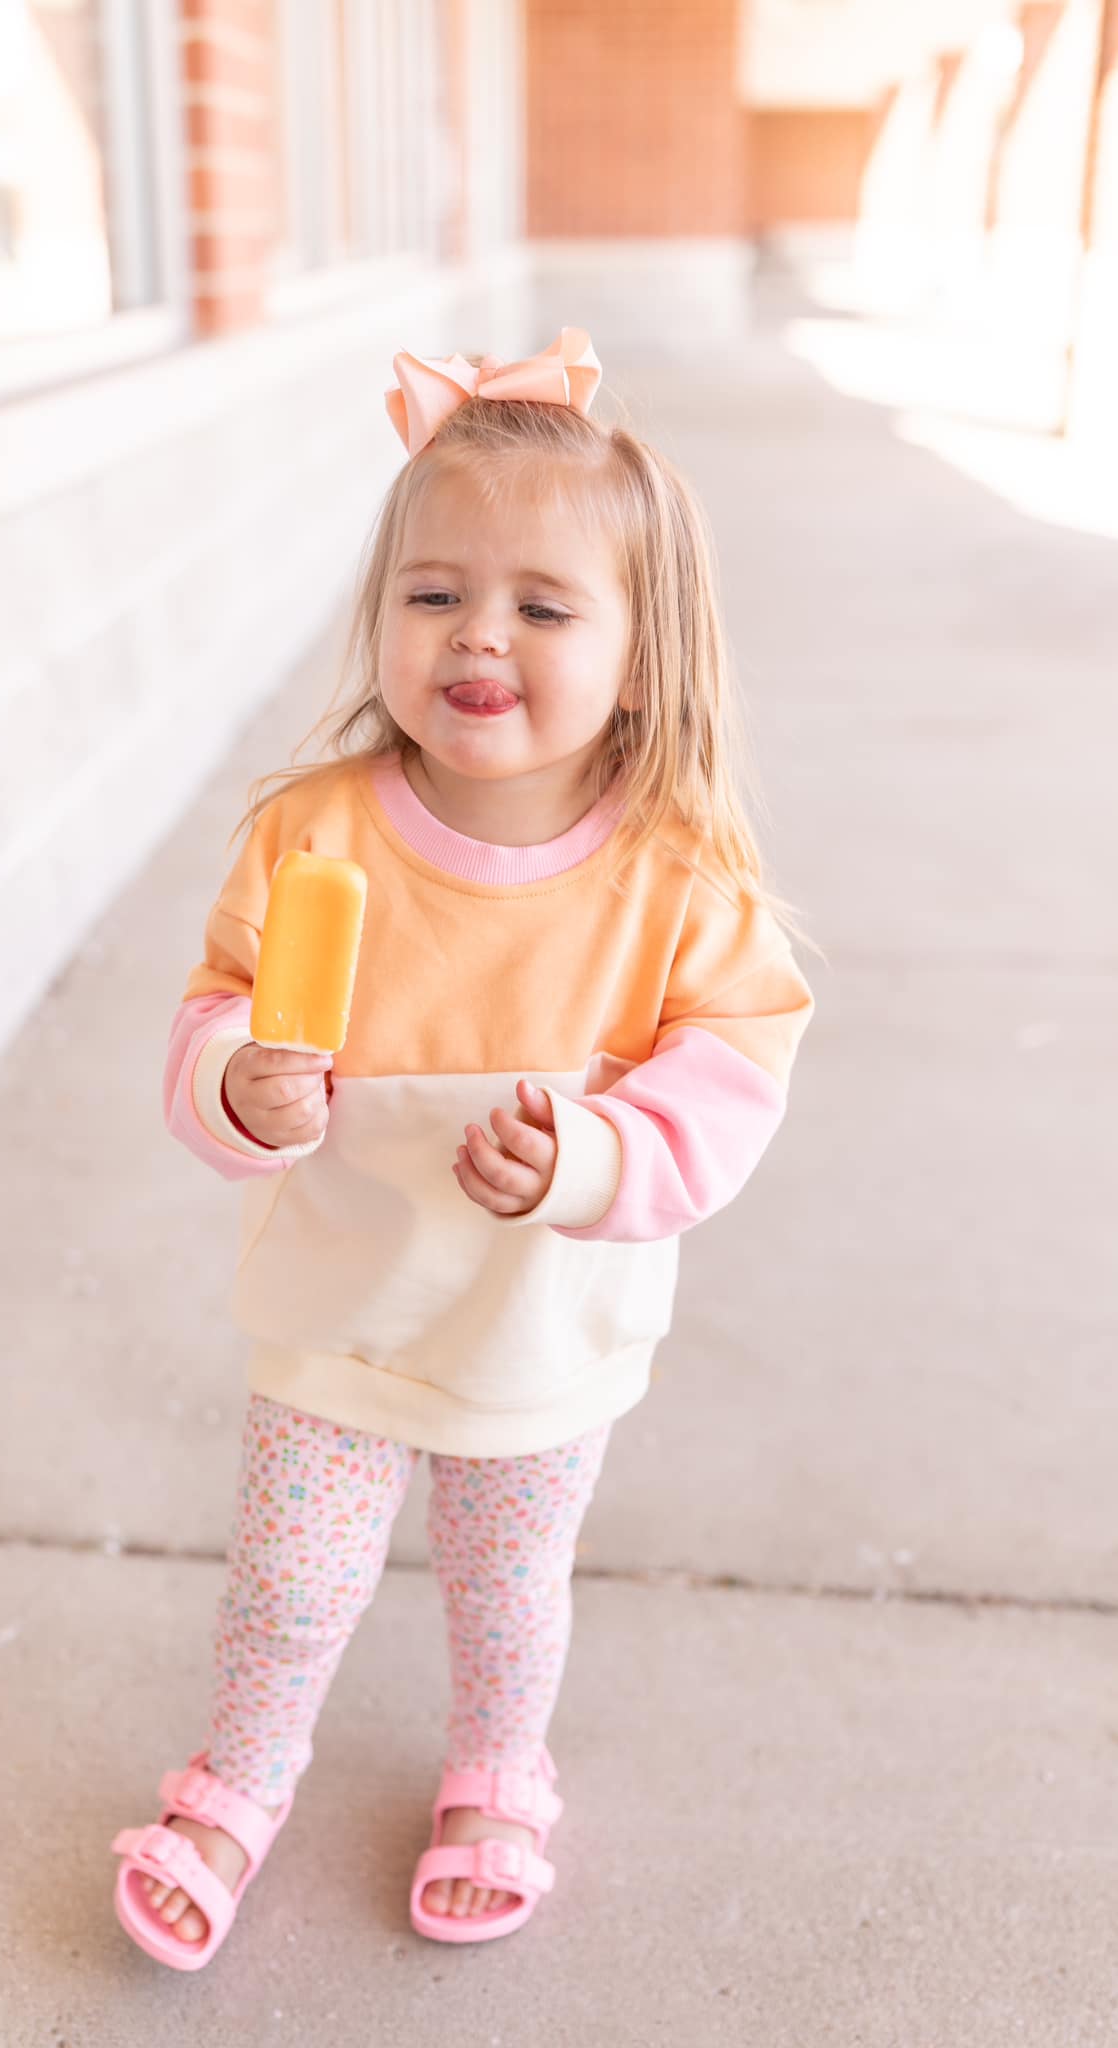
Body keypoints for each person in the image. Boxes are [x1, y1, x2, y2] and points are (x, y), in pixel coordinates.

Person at [109, 328, 816, 1969]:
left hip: (532, 1323)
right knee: (289, 1587)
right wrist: (240, 1082)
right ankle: (239, 1775)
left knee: (507, 1597)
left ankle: (501, 1773)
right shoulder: (316, 833)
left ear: (641, 658)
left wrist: (591, 1156)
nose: (475, 635)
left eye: (542, 606)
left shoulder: (674, 879)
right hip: (346, 1307)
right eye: (433, 593)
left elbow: (735, 1064)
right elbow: (219, 1003)